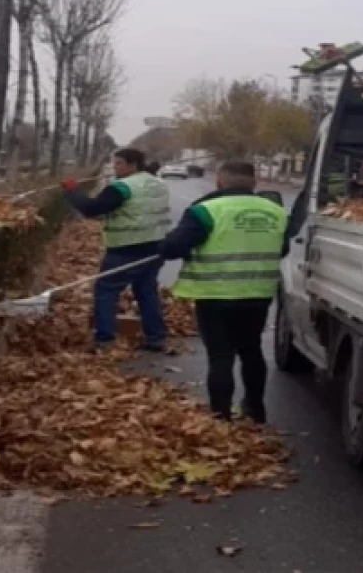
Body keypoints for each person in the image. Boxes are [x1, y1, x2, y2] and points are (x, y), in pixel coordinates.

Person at [159, 161, 287, 423]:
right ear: (255, 182)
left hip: (214, 294)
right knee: (251, 350)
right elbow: (282, 248)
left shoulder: (205, 210)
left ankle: (221, 416)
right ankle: (255, 409)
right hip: (257, 294)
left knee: (220, 355)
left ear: (219, 181)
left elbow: (172, 247)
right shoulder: (277, 212)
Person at [62, 148, 172, 352]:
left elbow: (91, 209)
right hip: (156, 245)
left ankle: (104, 340)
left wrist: (72, 191)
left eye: (119, 163)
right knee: (146, 290)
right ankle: (156, 337)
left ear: (133, 165)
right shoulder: (158, 183)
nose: (115, 167)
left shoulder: (122, 187)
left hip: (126, 248)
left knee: (105, 290)